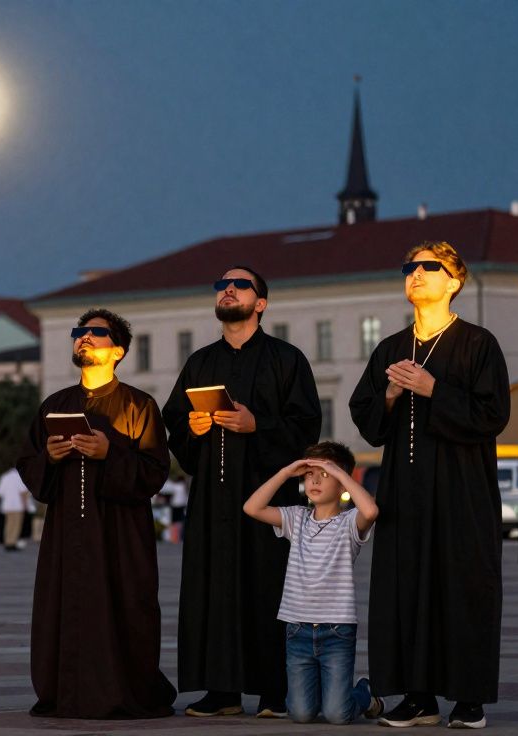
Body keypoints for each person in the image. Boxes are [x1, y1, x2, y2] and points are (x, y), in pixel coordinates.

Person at [349, 242, 510, 729]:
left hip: (463, 492)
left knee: (463, 590)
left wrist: (434, 389)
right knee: (406, 589)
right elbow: (367, 419)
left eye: (428, 267)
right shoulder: (390, 349)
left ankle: (468, 700)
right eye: (409, 268)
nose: (415, 274)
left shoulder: (478, 343)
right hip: (404, 490)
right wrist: (394, 395)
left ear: (454, 281)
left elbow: (492, 416)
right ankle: (417, 698)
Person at [162, 266, 321, 718]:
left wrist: (257, 425)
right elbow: (175, 421)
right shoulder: (199, 363)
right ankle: (222, 689)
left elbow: (307, 426)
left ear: (262, 303)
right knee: (213, 589)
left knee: (269, 589)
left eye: (240, 285)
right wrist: (191, 429)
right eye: (222, 285)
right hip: (213, 498)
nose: (228, 289)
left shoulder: (287, 360)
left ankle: (275, 690)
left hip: (268, 502)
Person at [16, 307, 176, 718]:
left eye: (96, 333)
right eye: (79, 332)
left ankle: (124, 693)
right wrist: (50, 459)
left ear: (118, 350)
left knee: (126, 607)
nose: (84, 337)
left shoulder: (140, 405)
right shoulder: (56, 403)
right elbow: (29, 463)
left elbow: (155, 472)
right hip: (66, 533)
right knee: (65, 606)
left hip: (120, 533)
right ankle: (63, 692)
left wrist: (110, 452)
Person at [242, 442, 383, 724]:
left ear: (342, 479)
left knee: (337, 714)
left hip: (337, 631)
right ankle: (328, 692)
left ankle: (366, 693)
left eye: (324, 474)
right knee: (301, 713)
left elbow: (370, 511)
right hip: (297, 629)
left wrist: (341, 474)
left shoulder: (349, 522)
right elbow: (252, 507)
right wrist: (286, 471)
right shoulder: (297, 518)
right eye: (309, 474)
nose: (315, 480)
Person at [0, 467, 29, 550]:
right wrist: (25, 505)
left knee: (8, 524)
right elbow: (23, 492)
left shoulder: (4, 477)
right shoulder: (19, 477)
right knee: (16, 525)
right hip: (18, 505)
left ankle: (7, 542)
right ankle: (12, 543)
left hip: (7, 505)